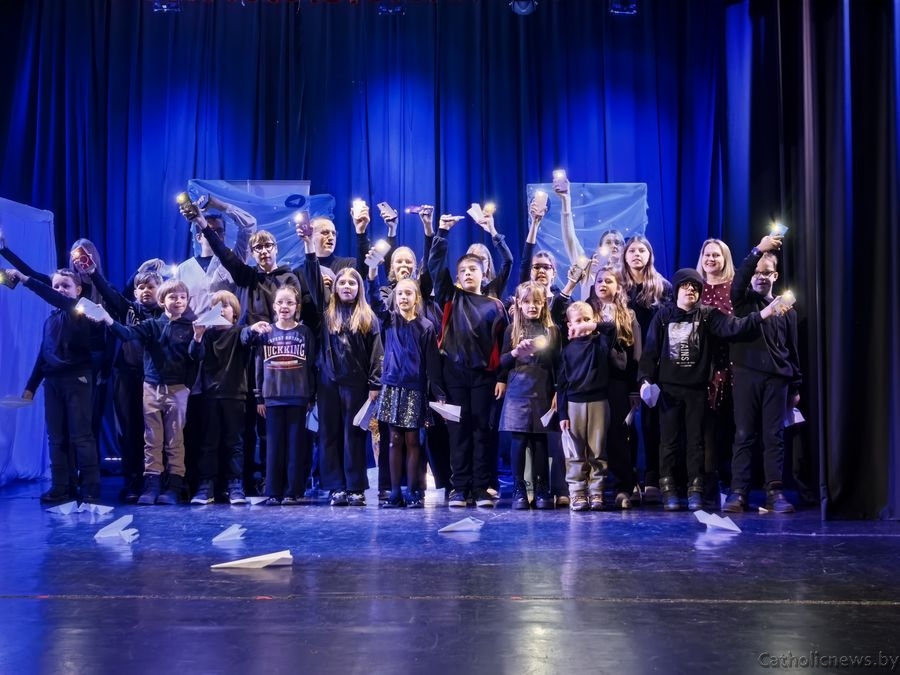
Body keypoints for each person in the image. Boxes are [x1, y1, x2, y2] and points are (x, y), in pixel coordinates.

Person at [638, 268, 781, 512]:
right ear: (677, 289)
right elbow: (650, 351)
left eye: (695, 287)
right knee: (668, 442)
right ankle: (668, 489)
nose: (690, 290)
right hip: (669, 391)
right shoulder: (663, 316)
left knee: (696, 443)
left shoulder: (707, 315)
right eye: (686, 286)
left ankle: (695, 489)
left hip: (696, 390)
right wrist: (644, 380)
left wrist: (763, 314)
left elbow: (734, 326)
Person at [429, 214, 510, 508]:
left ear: (483, 272)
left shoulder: (495, 305)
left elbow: (503, 345)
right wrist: (441, 233)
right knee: (458, 432)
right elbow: (434, 266)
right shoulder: (451, 297)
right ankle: (460, 488)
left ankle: (480, 487)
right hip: (454, 375)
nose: (467, 273)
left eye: (473, 269)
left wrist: (501, 377)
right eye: (462, 270)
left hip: (484, 377)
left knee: (481, 431)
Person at [93, 279, 197, 505]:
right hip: (151, 388)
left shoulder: (191, 327)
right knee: (152, 439)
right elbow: (127, 334)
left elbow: (196, 359)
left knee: (175, 439)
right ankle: (152, 483)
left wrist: (187, 384)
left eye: (182, 297)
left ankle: (174, 485)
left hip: (177, 389)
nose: (178, 301)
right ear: (162, 301)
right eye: (172, 297)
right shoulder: (152, 325)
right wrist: (108, 319)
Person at [7, 268, 102, 504]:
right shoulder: (50, 320)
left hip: (77, 379)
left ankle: (90, 487)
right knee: (56, 437)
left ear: (78, 290)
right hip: (53, 383)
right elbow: (44, 353)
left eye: (65, 285)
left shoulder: (80, 310)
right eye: (56, 286)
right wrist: (31, 386)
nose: (60, 290)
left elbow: (58, 300)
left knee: (81, 436)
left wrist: (26, 279)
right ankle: (61, 485)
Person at [724, 235, 802, 514]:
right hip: (746, 374)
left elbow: (792, 349)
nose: (760, 277)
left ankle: (774, 492)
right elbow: (738, 281)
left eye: (766, 273)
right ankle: (738, 491)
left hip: (777, 379)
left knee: (774, 436)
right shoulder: (744, 302)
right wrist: (758, 250)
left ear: (775, 276)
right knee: (744, 433)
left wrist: (795, 386)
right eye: (756, 273)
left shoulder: (787, 311)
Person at [87, 264, 163, 503]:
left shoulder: (166, 313)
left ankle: (159, 481)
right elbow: (108, 293)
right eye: (141, 287)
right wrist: (92, 272)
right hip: (128, 377)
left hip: (157, 379)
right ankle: (133, 481)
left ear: (161, 289)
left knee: (157, 432)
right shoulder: (128, 309)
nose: (145, 290)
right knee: (130, 431)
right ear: (135, 291)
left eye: (151, 286)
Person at [368, 274, 446, 508]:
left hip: (415, 389)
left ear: (416, 298)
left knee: (413, 441)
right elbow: (375, 300)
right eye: (400, 293)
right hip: (392, 388)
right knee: (393, 440)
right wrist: (372, 276)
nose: (403, 297)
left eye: (408, 293)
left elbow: (432, 363)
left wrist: (439, 393)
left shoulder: (425, 326)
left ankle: (413, 490)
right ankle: (395, 492)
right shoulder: (389, 320)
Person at [243, 285, 317, 506]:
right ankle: (274, 491)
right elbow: (258, 365)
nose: (285, 306)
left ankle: (293, 491)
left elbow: (311, 366)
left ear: (297, 307)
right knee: (274, 447)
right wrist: (259, 397)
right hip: (272, 398)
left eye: (289, 302)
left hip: (298, 397)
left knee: (296, 446)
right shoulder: (266, 332)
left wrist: (311, 397)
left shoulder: (305, 333)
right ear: (274, 306)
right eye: (280, 302)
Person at [317, 266, 383, 507]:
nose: (346, 286)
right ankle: (336, 487)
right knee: (330, 434)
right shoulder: (326, 315)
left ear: (359, 288)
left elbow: (377, 353)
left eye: (352, 283)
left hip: (356, 384)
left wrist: (375, 383)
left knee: (353, 435)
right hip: (329, 384)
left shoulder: (368, 317)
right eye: (342, 282)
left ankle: (355, 487)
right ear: (334, 288)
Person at [498, 282, 559, 510]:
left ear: (544, 304)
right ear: (519, 304)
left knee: (540, 440)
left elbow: (558, 364)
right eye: (527, 302)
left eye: (537, 302)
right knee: (519, 439)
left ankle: (542, 488)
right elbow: (501, 362)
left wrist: (557, 390)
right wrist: (516, 352)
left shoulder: (552, 331)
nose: (532, 306)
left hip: (542, 387)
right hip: (517, 390)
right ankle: (519, 489)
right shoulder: (511, 330)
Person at [188, 290, 253, 505]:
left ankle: (235, 485)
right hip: (210, 395)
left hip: (235, 395)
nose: (221, 310)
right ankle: (206, 486)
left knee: (234, 442)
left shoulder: (239, 331)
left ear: (235, 312)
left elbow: (248, 336)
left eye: (225, 306)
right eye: (216, 307)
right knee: (209, 442)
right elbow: (194, 355)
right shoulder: (207, 335)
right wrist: (197, 336)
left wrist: (255, 329)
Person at [621, 235, 672, 504]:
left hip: (654, 364)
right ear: (625, 255)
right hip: (624, 363)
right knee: (625, 425)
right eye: (632, 250)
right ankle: (628, 479)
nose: (637, 254)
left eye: (642, 250)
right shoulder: (617, 286)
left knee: (653, 425)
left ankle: (653, 477)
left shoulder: (663, 287)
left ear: (650, 255)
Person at [586, 267, 642, 509]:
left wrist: (634, 389)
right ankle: (592, 488)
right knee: (593, 438)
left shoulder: (627, 315)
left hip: (618, 383)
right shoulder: (587, 311)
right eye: (599, 280)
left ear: (618, 287)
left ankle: (623, 487)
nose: (603, 284)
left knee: (619, 436)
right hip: (591, 383)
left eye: (608, 281)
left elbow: (636, 354)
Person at [557, 301, 616, 512]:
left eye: (587, 320)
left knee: (598, 450)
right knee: (575, 451)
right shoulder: (566, 351)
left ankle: (596, 491)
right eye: (578, 321)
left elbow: (611, 327)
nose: (582, 324)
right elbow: (561, 385)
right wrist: (562, 414)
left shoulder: (600, 343)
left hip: (599, 402)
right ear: (569, 324)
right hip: (574, 404)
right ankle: (577, 492)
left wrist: (590, 326)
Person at [696, 238, 737, 506]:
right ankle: (708, 483)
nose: (711, 259)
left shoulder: (734, 288)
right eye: (707, 254)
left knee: (730, 428)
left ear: (725, 259)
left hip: (732, 367)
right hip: (703, 370)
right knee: (706, 430)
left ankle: (732, 482)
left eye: (716, 255)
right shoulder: (695, 288)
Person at [174, 194, 256, 316]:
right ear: (198, 237)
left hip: (226, 326)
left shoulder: (234, 261)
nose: (215, 234)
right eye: (210, 230)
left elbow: (249, 225)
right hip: (193, 327)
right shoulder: (183, 269)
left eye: (220, 231)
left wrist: (218, 205)